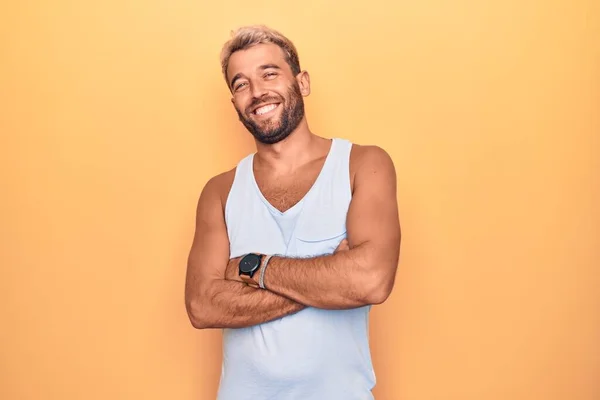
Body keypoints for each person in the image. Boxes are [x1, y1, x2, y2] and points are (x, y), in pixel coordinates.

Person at [184, 25, 401, 400]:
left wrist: (255, 269)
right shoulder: (220, 191)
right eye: (241, 84)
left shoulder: (362, 165)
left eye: (269, 73)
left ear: (302, 82)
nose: (256, 92)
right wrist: (330, 280)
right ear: (234, 104)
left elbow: (370, 281)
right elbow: (202, 306)